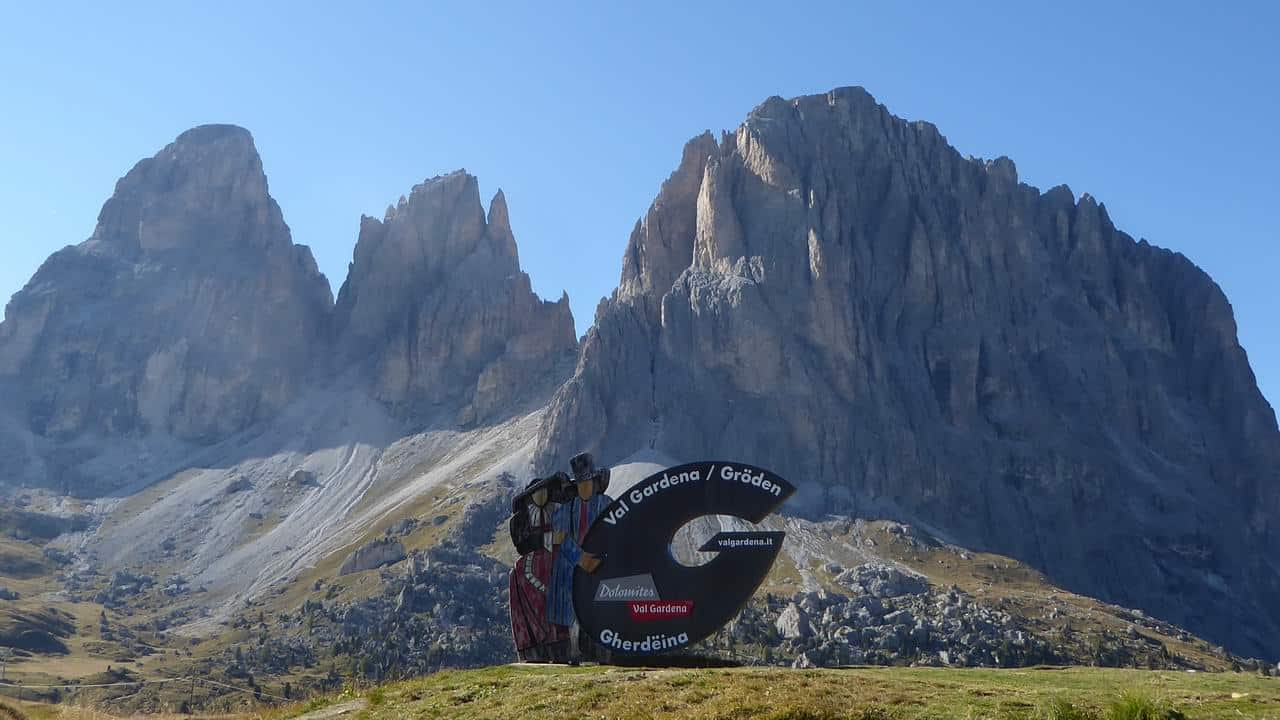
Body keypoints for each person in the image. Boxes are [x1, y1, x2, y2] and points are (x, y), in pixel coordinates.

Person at [548, 452, 612, 662]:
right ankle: (572, 653)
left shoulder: (606, 505)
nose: (585, 488)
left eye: (588, 483)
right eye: (581, 484)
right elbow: (560, 539)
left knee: (600, 609)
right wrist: (580, 558)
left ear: (595, 483)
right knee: (571, 610)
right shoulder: (565, 512)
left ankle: (602, 650)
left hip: (600, 566)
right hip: (571, 567)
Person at [508, 474, 570, 662]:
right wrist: (545, 540)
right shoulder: (524, 518)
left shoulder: (560, 510)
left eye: (544, 491)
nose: (541, 495)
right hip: (535, 560)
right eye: (536, 493)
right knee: (519, 574)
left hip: (557, 556)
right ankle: (533, 642)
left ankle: (561, 638)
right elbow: (522, 543)